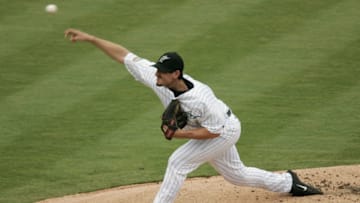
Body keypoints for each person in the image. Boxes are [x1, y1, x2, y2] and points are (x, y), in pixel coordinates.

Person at [64, 28, 323, 203]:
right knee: (237, 175)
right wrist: (91, 38)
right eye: (157, 70)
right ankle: (289, 183)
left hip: (224, 129)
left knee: (178, 162)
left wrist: (178, 135)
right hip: (212, 129)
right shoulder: (159, 79)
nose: (156, 76)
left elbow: (213, 132)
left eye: (162, 72)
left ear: (176, 74)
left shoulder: (200, 98)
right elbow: (125, 56)